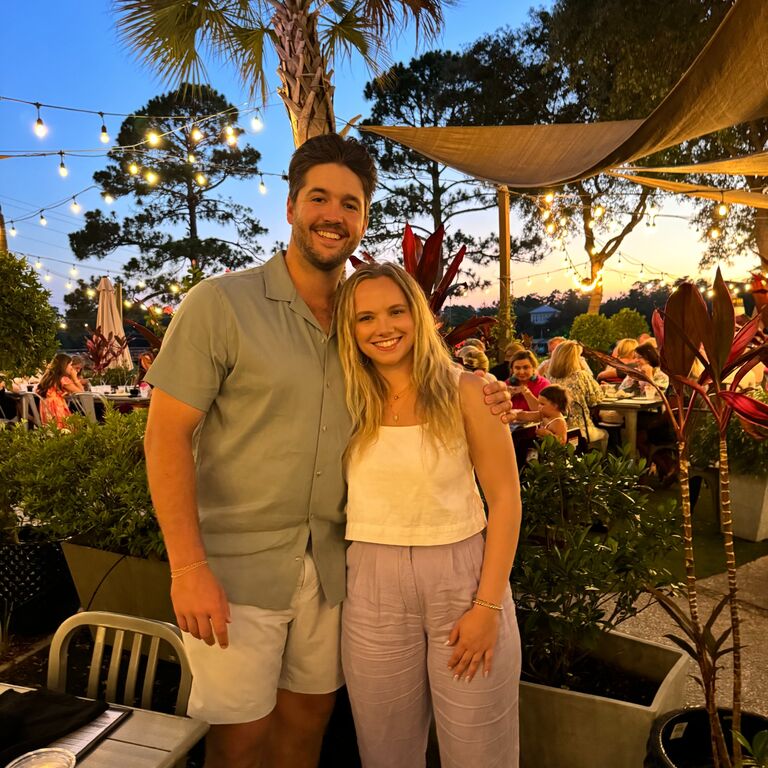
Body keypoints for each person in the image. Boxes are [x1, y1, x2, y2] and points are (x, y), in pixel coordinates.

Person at [142, 133, 513, 768]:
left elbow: (419, 369)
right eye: (319, 197)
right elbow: (164, 434)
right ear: (290, 207)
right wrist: (186, 567)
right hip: (239, 569)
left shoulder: (360, 317)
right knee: (240, 735)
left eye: (350, 203)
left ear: (364, 219)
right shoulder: (221, 304)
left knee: (309, 718)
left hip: (337, 573)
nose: (333, 215)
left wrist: (484, 391)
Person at [336, 262, 521, 768]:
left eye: (397, 311)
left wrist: (486, 609)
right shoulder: (342, 398)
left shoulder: (468, 391)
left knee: (481, 752)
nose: (383, 327)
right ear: (349, 331)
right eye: (365, 317)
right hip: (371, 587)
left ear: (418, 315)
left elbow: (505, 499)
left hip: (462, 580)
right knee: (385, 752)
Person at [546, 341, 607, 449]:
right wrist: (602, 389)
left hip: (555, 429)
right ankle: (598, 463)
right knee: (606, 434)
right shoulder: (581, 376)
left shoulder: (549, 378)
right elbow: (594, 400)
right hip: (579, 430)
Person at [36, 353, 84, 428]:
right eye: (70, 365)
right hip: (57, 409)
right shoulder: (63, 379)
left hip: (46, 409)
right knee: (70, 428)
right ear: (64, 365)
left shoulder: (48, 377)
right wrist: (74, 378)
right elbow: (81, 392)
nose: (71, 368)